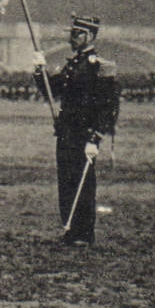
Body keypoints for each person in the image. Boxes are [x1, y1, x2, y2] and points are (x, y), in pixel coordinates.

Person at [32, 15, 121, 247]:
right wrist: (40, 70)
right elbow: (53, 90)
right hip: (66, 131)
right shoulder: (73, 65)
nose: (72, 38)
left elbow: (107, 106)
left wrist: (97, 136)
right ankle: (70, 228)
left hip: (84, 133)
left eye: (77, 34)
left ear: (89, 36)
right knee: (67, 180)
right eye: (72, 33)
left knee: (84, 184)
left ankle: (84, 232)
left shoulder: (99, 67)